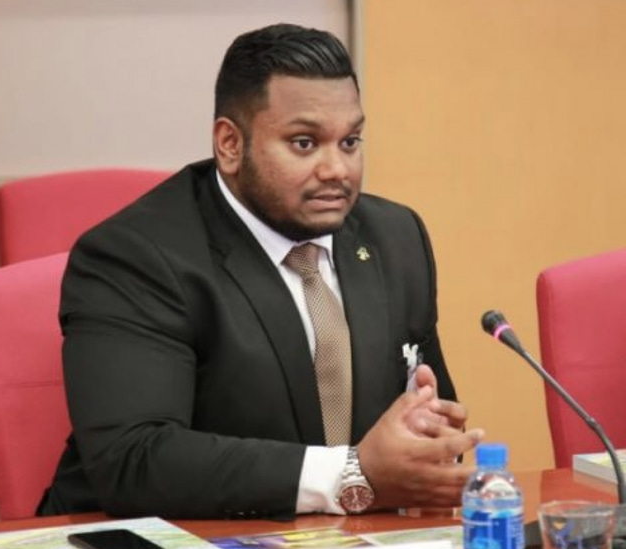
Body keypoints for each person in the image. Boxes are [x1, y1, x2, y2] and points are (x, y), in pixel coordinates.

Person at [37, 23, 483, 519]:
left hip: (341, 539)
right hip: (159, 538)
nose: (337, 169)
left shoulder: (395, 237)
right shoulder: (136, 256)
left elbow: (427, 413)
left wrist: (423, 438)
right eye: (304, 143)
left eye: (350, 141)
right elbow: (134, 459)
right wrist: (351, 474)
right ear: (230, 144)